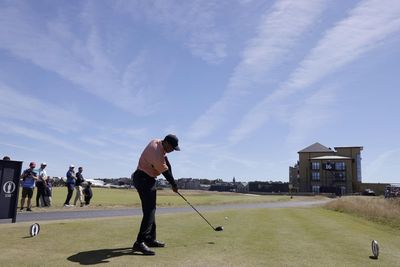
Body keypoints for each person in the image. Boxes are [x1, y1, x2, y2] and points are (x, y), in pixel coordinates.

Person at [131, 134, 180, 256]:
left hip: (147, 178)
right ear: (167, 143)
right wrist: (173, 184)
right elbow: (166, 172)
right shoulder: (156, 153)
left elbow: (168, 165)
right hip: (143, 178)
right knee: (149, 211)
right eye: (172, 148)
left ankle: (150, 239)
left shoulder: (158, 143)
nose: (173, 151)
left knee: (151, 210)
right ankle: (139, 242)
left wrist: (173, 182)